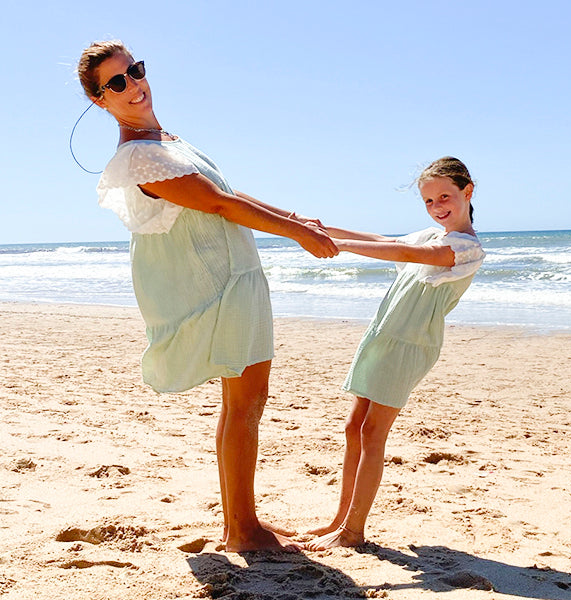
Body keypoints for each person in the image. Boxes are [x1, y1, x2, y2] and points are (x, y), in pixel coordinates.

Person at [77, 40, 338, 552]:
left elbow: (230, 193)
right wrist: (296, 234)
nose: (133, 85)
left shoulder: (167, 141)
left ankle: (240, 522)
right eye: (116, 83)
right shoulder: (140, 157)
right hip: (219, 290)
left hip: (237, 278)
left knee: (246, 402)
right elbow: (216, 204)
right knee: (244, 405)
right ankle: (242, 529)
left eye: (134, 70)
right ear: (99, 101)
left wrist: (295, 217)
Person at [306, 157, 485, 550]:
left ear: (466, 192)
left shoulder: (467, 248)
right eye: (429, 201)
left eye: (445, 196)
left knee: (373, 431)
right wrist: (318, 228)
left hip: (409, 345)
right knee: (354, 427)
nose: (438, 206)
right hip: (382, 335)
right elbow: (388, 241)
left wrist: (336, 245)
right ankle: (340, 520)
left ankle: (353, 531)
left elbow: (406, 255)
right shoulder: (430, 234)